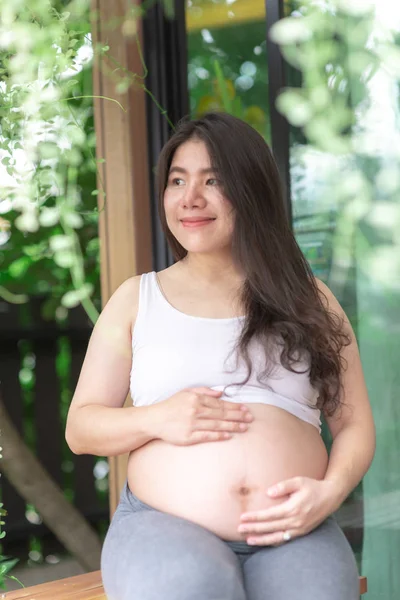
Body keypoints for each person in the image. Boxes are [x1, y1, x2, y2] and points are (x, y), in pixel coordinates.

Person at [65, 112, 375, 600]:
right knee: (191, 586)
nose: (190, 198)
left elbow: (354, 425)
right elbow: (80, 428)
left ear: (251, 189)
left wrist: (330, 492)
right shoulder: (136, 298)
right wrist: (157, 419)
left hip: (296, 530)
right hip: (164, 525)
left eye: (214, 181)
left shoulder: (310, 299)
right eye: (177, 180)